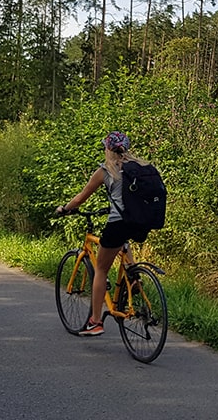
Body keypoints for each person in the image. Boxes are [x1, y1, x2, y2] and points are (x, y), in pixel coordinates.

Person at [55, 130, 149, 336]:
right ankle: (133, 278)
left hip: (117, 223)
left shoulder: (106, 170)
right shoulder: (140, 166)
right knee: (124, 241)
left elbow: (80, 199)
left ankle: (95, 321)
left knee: (101, 270)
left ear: (107, 148)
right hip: (140, 222)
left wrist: (65, 209)